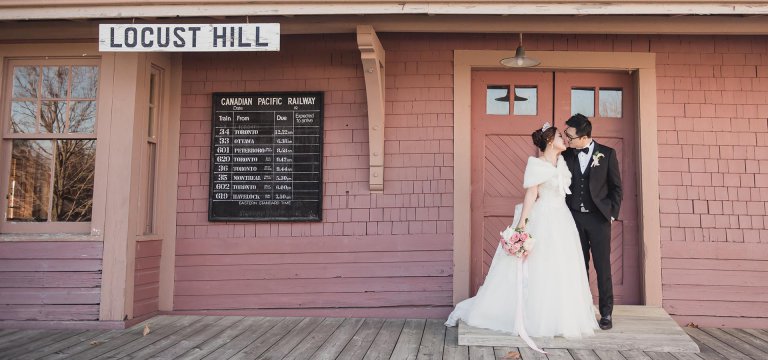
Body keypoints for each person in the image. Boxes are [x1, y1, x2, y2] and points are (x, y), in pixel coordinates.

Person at [445, 123, 597, 340]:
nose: (564, 139)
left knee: (562, 265)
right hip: (544, 216)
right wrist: (522, 225)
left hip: (562, 218)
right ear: (550, 141)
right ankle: (535, 316)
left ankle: (560, 316)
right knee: (540, 265)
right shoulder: (537, 165)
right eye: (559, 136)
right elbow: (531, 195)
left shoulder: (562, 162)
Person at [562, 113, 623, 330]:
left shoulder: (607, 154)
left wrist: (611, 214)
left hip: (599, 220)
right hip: (573, 219)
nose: (567, 139)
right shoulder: (565, 155)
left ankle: (606, 313)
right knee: (579, 267)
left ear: (584, 137)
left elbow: (616, 188)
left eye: (570, 136)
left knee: (602, 266)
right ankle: (583, 310)